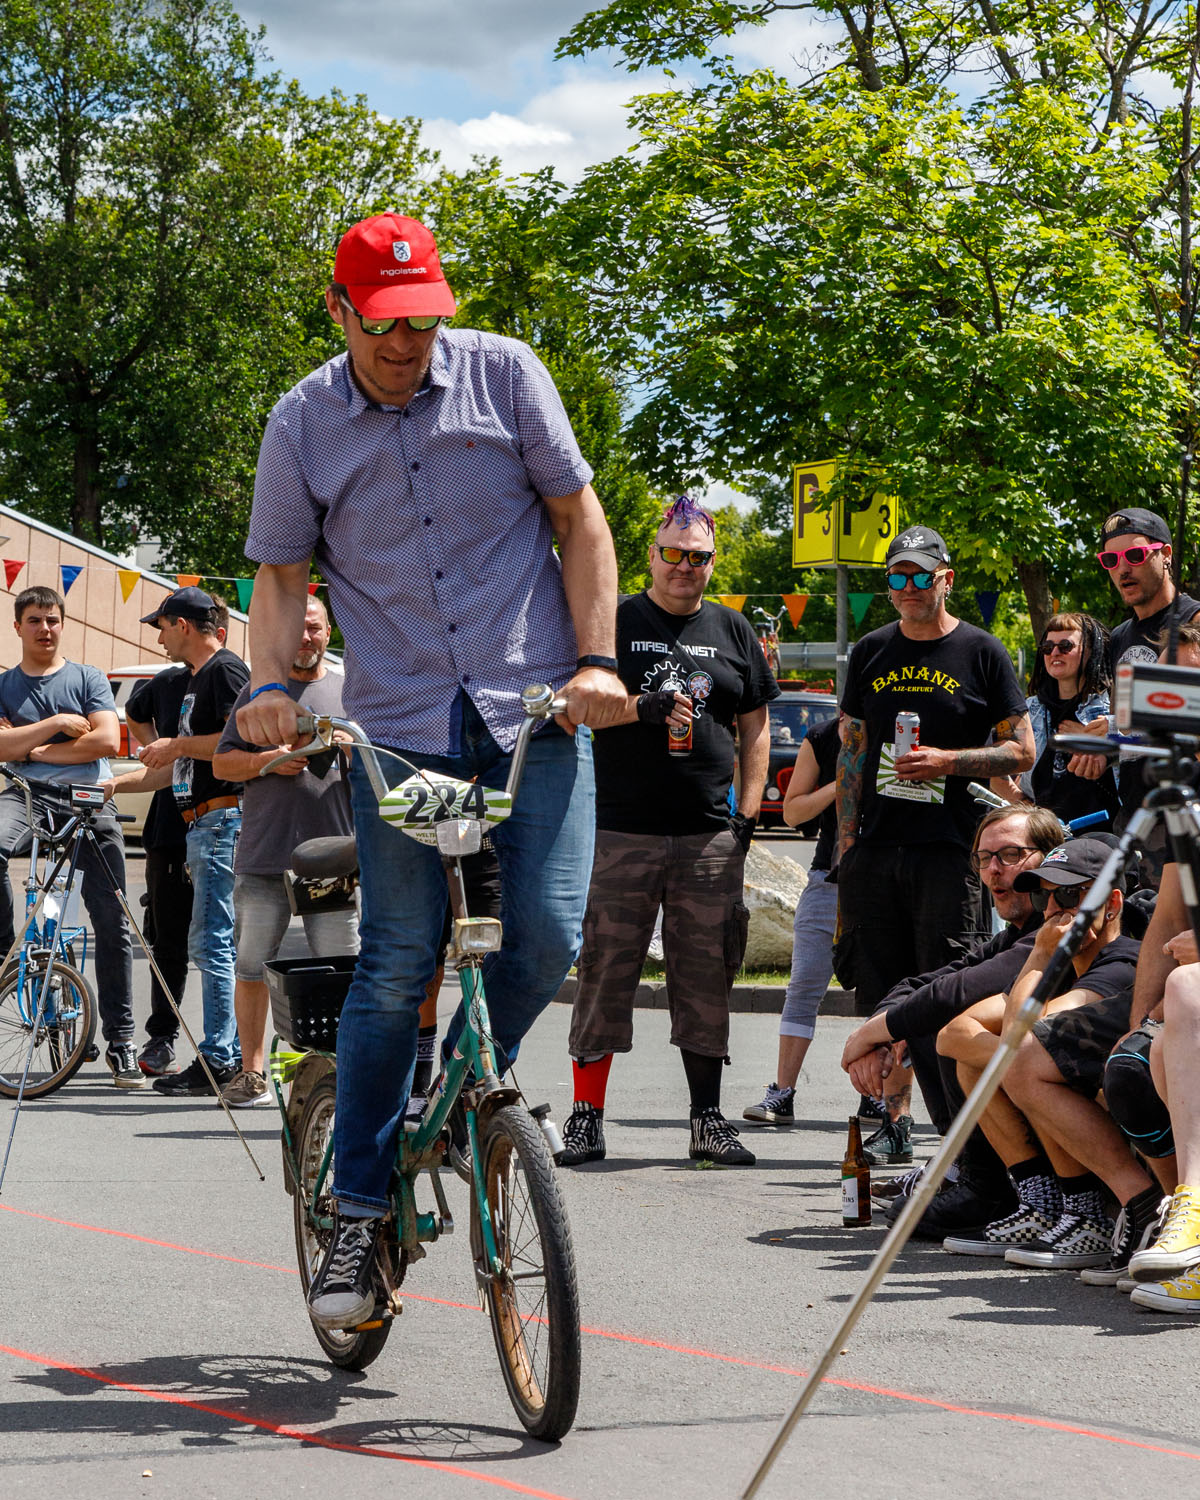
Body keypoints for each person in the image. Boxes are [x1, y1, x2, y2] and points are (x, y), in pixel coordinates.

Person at [237, 211, 626, 1331]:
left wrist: (597, 660)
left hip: (534, 711)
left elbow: (580, 520)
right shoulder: (303, 422)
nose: (409, 345)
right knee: (399, 958)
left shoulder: (506, 378)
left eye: (424, 323)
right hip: (400, 724)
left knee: (549, 931)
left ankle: (465, 1101)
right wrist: (269, 685)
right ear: (340, 312)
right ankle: (358, 1209)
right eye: (386, 328)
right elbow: (278, 571)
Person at [558, 496, 776, 1167]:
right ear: (652, 556)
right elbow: (575, 706)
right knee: (604, 972)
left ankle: (706, 1121)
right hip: (621, 830)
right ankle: (586, 1118)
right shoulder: (617, 620)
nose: (686, 567)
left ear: (714, 562)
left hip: (709, 835)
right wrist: (638, 709)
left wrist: (747, 814)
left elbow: (755, 724)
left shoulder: (733, 629)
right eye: (674, 554)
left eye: (700, 557)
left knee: (706, 975)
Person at [834, 524, 1034, 1156]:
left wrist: (949, 761)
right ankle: (895, 1125)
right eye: (897, 576)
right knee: (882, 993)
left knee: (946, 991)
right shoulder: (869, 650)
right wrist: (846, 848)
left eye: (922, 575)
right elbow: (853, 755)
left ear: (946, 579)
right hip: (877, 848)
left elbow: (1021, 749)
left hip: (952, 851)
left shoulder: (981, 651)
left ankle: (963, 1142)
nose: (908, 587)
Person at [838, 802, 1064, 1233]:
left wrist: (868, 1035)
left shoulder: (1056, 930)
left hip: (1063, 1079)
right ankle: (966, 1168)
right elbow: (921, 984)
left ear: (1048, 862)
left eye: (1011, 855)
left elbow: (954, 993)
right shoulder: (1012, 936)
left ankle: (989, 1188)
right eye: (984, 858)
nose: (994, 870)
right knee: (919, 1017)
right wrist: (882, 1031)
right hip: (1031, 1084)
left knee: (948, 1023)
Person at [935, 839, 1142, 1264]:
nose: (1052, 909)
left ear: (1112, 902)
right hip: (1085, 1122)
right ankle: (1044, 1206)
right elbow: (954, 1033)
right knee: (979, 1064)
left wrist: (1040, 956)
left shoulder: (1121, 963)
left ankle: (1090, 1216)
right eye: (1042, 895)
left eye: (1067, 894)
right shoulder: (1064, 965)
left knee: (1022, 1063)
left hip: (1129, 1130)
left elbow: (1023, 1035)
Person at [211, 595, 356, 1107]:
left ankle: (344, 1068)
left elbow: (379, 770)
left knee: (343, 967)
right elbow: (222, 765)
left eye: (314, 629)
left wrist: (349, 750)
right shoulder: (257, 694)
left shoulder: (348, 691)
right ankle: (252, 1072)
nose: (305, 638)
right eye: (297, 629)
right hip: (265, 853)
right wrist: (269, 760)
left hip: (333, 857)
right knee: (251, 965)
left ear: (327, 630)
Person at [109, 588, 249, 1096]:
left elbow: (241, 741)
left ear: (185, 625)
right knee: (200, 941)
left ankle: (219, 1060)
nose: (160, 637)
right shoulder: (191, 680)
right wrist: (116, 783)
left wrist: (178, 744)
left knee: (212, 944)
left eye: (162, 626)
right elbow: (173, 768)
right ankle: (220, 1054)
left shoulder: (225, 670)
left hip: (221, 821)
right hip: (198, 824)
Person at [0, 586, 139, 1086]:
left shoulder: (88, 677)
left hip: (88, 800)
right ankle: (4, 953)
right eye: (34, 620)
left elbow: (105, 739)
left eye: (53, 620)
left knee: (113, 919)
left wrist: (32, 748)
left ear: (64, 624)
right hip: (24, 797)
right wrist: (59, 724)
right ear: (18, 626)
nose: (45, 628)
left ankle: (122, 1042)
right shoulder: (4, 684)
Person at [743, 711, 844, 1126]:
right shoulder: (822, 737)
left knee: (887, 989)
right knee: (804, 985)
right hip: (828, 877)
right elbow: (792, 813)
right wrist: (840, 787)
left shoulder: (906, 733)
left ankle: (880, 1099)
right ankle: (782, 1094)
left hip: (886, 877)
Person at [991, 612, 1117, 830]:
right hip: (1042, 836)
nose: (1055, 652)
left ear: (1091, 651)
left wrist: (1098, 742)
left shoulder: (1111, 711)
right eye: (1048, 647)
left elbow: (1142, 753)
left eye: (1065, 645)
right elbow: (995, 766)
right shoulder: (1027, 710)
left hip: (1101, 835)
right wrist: (1023, 805)